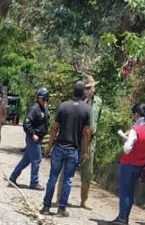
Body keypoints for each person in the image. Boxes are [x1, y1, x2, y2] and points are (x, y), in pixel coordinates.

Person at [41, 81, 92, 217]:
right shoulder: (86, 109)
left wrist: (48, 146)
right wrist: (85, 152)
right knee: (68, 180)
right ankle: (61, 209)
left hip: (58, 147)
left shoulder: (63, 106)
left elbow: (55, 128)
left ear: (73, 92)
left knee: (53, 177)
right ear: (84, 94)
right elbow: (87, 133)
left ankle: (46, 207)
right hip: (73, 149)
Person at [110, 103, 145, 225]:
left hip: (128, 162)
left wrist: (125, 138)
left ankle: (122, 218)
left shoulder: (135, 130)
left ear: (136, 114)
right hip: (140, 163)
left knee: (124, 192)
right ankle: (125, 217)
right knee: (131, 191)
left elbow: (127, 149)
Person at [8, 87, 50, 190]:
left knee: (26, 160)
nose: (46, 99)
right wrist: (32, 134)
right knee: (37, 159)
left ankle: (12, 178)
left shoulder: (44, 108)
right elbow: (26, 124)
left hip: (39, 138)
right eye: (45, 97)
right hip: (33, 139)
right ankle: (34, 182)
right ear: (40, 98)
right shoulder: (34, 109)